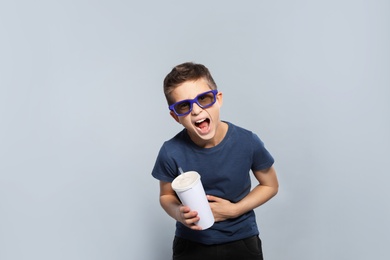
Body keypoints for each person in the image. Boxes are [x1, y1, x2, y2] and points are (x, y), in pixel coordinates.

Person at [151, 62, 279, 260]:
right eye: (184, 106)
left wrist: (234, 210)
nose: (196, 110)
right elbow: (166, 196)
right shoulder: (170, 151)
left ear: (218, 99)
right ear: (175, 116)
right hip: (191, 244)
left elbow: (270, 185)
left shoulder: (247, 141)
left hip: (242, 241)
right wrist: (178, 213)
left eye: (203, 98)